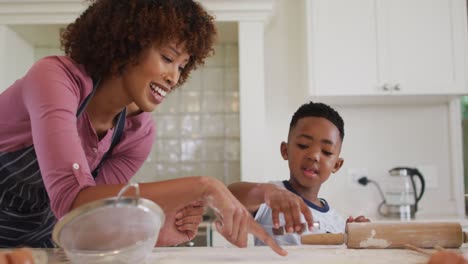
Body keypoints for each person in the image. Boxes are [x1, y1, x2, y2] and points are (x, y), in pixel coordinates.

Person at [0, 0, 286, 256]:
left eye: (182, 66)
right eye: (167, 58)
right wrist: (204, 186)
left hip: (36, 246)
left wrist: (155, 234)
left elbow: (87, 220)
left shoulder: (138, 134)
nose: (174, 77)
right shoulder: (55, 78)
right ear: (127, 44)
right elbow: (72, 200)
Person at [229, 101, 370, 245]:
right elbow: (227, 196)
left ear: (336, 165)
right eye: (303, 145)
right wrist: (264, 192)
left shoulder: (336, 221)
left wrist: (351, 236)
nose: (314, 155)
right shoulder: (271, 198)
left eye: (326, 152)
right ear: (285, 151)